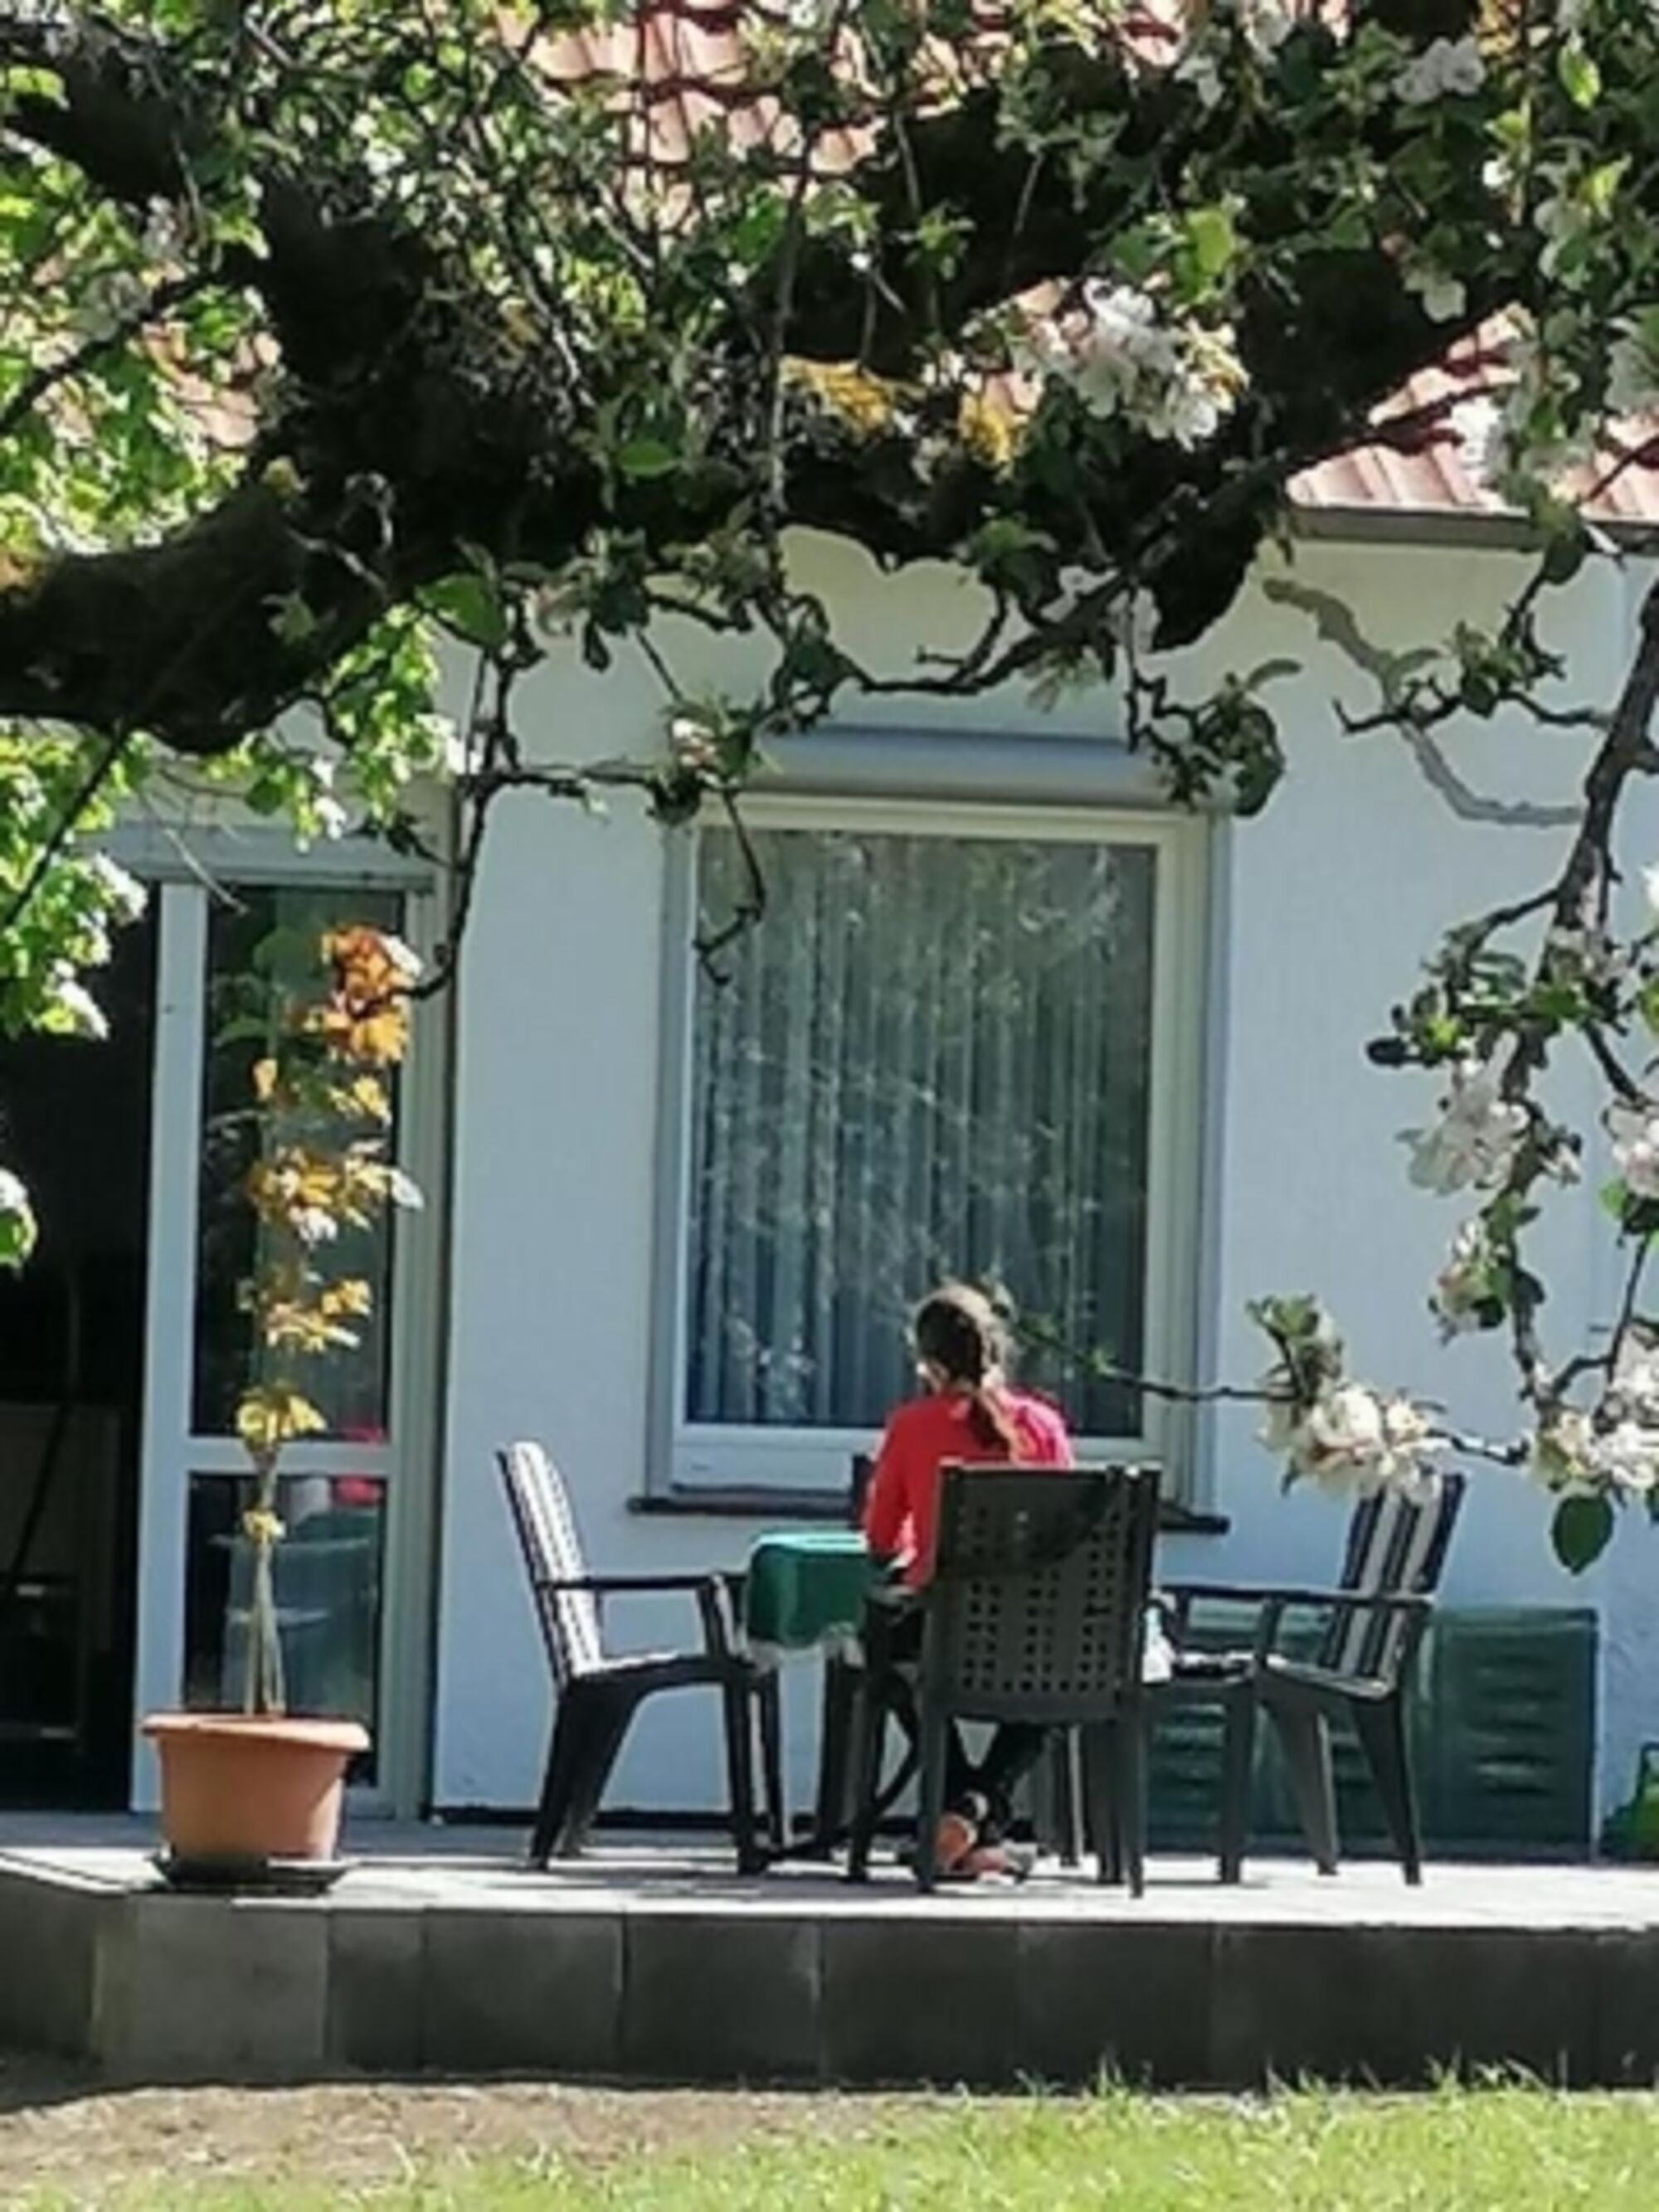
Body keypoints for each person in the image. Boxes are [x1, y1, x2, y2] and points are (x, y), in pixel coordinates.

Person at [862, 1281, 1073, 1880]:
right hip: (1036, 1633)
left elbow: (880, 1540)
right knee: (1063, 1682)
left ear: (930, 1365)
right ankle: (977, 1816)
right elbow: (1068, 1532)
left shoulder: (911, 1427)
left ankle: (958, 1806)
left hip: (945, 1630)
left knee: (887, 1656)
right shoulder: (1045, 1425)